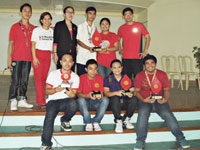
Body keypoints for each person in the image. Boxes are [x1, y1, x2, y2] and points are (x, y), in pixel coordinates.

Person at [134, 54, 190, 150]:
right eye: (147, 63)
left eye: (152, 63)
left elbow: (166, 90)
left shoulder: (162, 74)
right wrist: (143, 99)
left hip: (159, 99)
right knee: (142, 114)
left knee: (167, 114)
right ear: (144, 65)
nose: (150, 65)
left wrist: (165, 99)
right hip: (145, 100)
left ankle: (181, 138)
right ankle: (140, 141)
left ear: (155, 64)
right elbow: (137, 91)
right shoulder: (139, 75)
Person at [41, 54, 79, 150]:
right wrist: (56, 90)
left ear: (73, 63)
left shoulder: (75, 77)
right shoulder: (53, 74)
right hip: (53, 101)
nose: (67, 63)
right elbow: (47, 91)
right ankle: (46, 143)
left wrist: (72, 95)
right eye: (65, 60)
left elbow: (74, 95)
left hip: (66, 101)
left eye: (70, 61)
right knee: (49, 117)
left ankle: (65, 120)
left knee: (74, 103)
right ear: (60, 62)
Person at [8, 3, 34, 111]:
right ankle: (13, 99)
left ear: (31, 13)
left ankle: (22, 99)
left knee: (25, 80)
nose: (27, 13)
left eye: (29, 11)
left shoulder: (33, 28)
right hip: (17, 58)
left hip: (28, 58)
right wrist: (9, 59)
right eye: (25, 11)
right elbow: (11, 44)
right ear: (20, 13)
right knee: (15, 80)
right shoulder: (14, 27)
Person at [104, 59, 138, 133]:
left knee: (134, 99)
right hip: (113, 104)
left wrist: (130, 93)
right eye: (114, 67)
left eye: (119, 67)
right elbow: (106, 93)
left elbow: (133, 90)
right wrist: (116, 93)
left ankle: (127, 119)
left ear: (122, 68)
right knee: (115, 98)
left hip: (125, 102)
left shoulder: (126, 77)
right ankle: (118, 120)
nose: (117, 69)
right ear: (111, 69)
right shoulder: (108, 79)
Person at [118, 7, 151, 80]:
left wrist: (145, 51)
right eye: (126, 15)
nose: (128, 16)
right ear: (123, 17)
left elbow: (148, 37)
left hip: (137, 57)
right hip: (125, 58)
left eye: (130, 14)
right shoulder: (121, 28)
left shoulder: (139, 25)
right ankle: (128, 91)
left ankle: (137, 92)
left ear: (132, 15)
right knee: (126, 79)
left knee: (138, 79)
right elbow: (118, 39)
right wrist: (120, 49)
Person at [77, 59, 109, 131]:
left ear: (97, 69)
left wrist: (100, 95)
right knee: (80, 100)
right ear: (86, 69)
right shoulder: (82, 77)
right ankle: (88, 122)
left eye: (95, 69)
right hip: (85, 102)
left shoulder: (99, 77)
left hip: (96, 102)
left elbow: (101, 92)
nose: (93, 71)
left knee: (105, 100)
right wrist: (87, 96)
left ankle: (96, 121)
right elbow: (78, 94)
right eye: (90, 69)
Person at [31, 12, 53, 107]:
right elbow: (33, 44)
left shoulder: (52, 31)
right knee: (38, 79)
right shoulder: (37, 30)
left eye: (49, 19)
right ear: (41, 20)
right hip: (38, 54)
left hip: (47, 55)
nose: (47, 21)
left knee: (44, 78)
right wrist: (34, 57)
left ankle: (41, 98)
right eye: (45, 19)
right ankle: (41, 101)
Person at [53, 6, 77, 71]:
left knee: (71, 72)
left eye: (72, 12)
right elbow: (55, 41)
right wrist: (55, 53)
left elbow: (75, 42)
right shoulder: (59, 25)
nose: (70, 14)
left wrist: (76, 51)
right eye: (68, 12)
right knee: (61, 72)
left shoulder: (75, 27)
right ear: (64, 14)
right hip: (61, 53)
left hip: (72, 54)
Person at [76, 7, 97, 76]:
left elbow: (97, 42)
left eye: (94, 14)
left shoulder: (95, 28)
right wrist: (88, 48)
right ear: (86, 14)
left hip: (92, 58)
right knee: (81, 79)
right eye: (90, 13)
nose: (92, 16)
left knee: (91, 80)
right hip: (81, 59)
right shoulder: (80, 26)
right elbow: (78, 41)